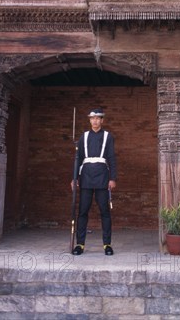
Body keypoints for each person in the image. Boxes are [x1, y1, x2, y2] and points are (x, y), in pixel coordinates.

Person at [71, 108, 117, 255]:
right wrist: (74, 177)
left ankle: (107, 245)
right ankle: (80, 244)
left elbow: (111, 158)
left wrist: (112, 178)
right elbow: (78, 159)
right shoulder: (83, 137)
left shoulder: (108, 137)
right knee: (83, 211)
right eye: (92, 118)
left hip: (103, 177)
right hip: (86, 177)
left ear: (102, 120)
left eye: (98, 118)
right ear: (89, 120)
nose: (95, 121)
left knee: (105, 212)